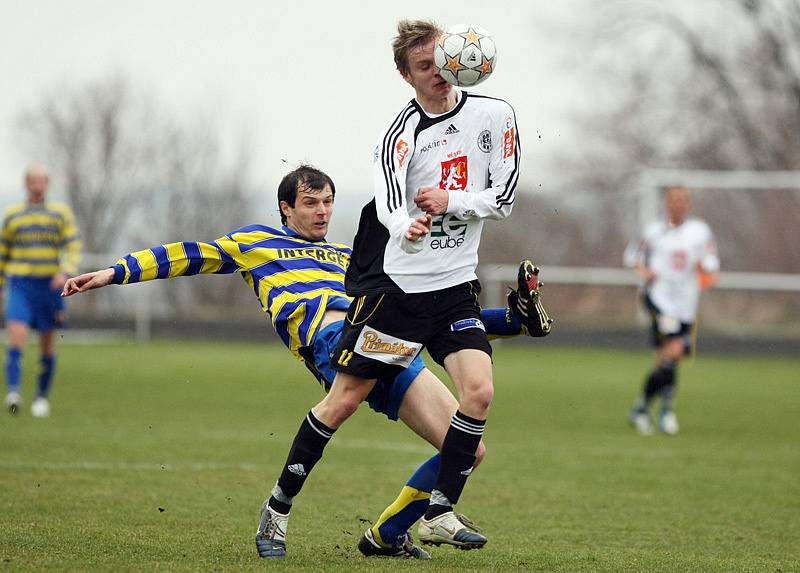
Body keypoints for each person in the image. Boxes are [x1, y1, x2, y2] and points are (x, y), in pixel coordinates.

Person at [62, 164, 553, 559]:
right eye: (311, 203)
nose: (322, 211)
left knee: (468, 449)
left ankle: (385, 534)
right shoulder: (255, 244)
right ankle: (277, 509)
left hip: (391, 342)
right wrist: (112, 273)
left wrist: (506, 321)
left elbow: (424, 318)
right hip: (332, 339)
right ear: (286, 207)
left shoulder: (347, 257)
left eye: (327, 202)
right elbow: (187, 254)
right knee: (344, 398)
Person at [255, 20, 544, 558]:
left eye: (443, 61)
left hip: (455, 285)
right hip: (396, 293)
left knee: (478, 393)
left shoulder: (495, 114)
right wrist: (402, 223)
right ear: (405, 75)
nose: (439, 73)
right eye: (424, 67)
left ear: (462, 57)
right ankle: (277, 508)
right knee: (341, 402)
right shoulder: (400, 134)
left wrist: (450, 203)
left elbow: (502, 197)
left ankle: (437, 514)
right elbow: (388, 200)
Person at [624, 185, 719, 435]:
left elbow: (710, 263)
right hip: (658, 299)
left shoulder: (700, 231)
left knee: (667, 359)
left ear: (689, 204)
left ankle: (642, 408)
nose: (678, 204)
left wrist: (706, 270)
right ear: (666, 203)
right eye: (673, 199)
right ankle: (666, 412)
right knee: (674, 350)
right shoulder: (654, 231)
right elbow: (631, 257)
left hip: (686, 304)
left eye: (683, 199)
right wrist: (646, 273)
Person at [2, 165, 81, 418]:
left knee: (48, 344)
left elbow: (72, 245)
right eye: (33, 180)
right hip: (21, 284)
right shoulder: (13, 215)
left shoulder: (60, 214)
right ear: (27, 183)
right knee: (16, 336)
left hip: (50, 286)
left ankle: (41, 397)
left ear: (47, 184)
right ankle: (13, 391)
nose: (37, 184)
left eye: (42, 180)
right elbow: (3, 252)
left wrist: (65, 271)